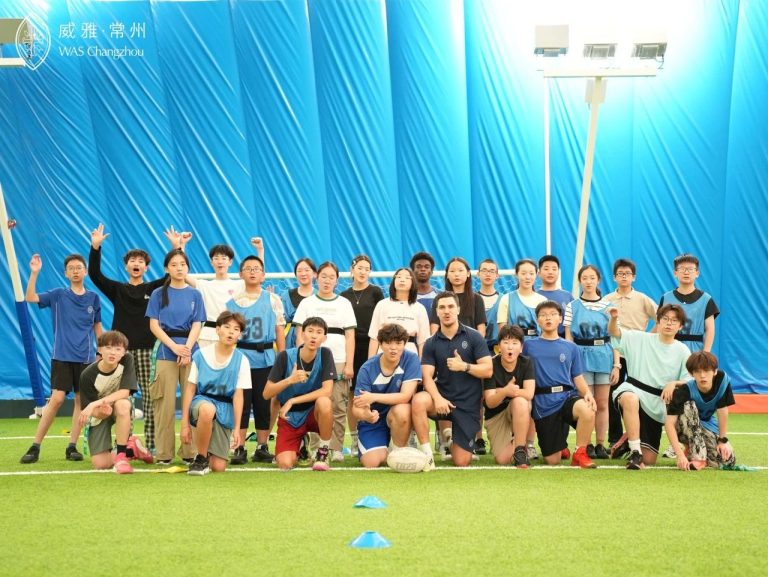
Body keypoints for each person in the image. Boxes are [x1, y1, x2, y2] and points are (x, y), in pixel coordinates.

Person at [87, 223, 185, 453]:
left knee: (151, 399)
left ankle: (152, 445)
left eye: (141, 261)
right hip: (121, 352)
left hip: (149, 350)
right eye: (132, 260)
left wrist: (177, 247)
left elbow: (172, 274)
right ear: (126, 266)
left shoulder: (154, 289)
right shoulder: (118, 290)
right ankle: (125, 444)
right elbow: (95, 275)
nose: (136, 264)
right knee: (124, 400)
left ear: (146, 267)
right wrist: (95, 247)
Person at [20, 253, 102, 464]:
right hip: (62, 356)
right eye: (71, 268)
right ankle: (35, 446)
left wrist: (101, 352)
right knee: (56, 399)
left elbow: (97, 327)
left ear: (85, 271)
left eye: (79, 267)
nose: (75, 271)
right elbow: (30, 297)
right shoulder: (57, 295)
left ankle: (72, 446)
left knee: (80, 401)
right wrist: (34, 273)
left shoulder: (93, 298)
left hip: (86, 359)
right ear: (66, 273)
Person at [412, 292, 493, 469]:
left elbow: (488, 370)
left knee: (461, 462)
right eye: (442, 307)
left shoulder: (474, 336)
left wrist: (464, 366)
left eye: (450, 307)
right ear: (437, 312)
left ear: (458, 309)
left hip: (467, 405)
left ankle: (453, 442)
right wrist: (438, 398)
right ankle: (427, 455)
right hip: (442, 401)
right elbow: (426, 376)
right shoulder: (431, 342)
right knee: (419, 400)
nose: (446, 311)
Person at [607, 303, 690, 469]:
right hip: (633, 390)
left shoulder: (682, 350)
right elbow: (615, 332)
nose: (669, 323)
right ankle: (635, 453)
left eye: (674, 320)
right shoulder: (640, 339)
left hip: (657, 403)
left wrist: (673, 383)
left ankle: (628, 439)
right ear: (658, 321)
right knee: (630, 398)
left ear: (680, 326)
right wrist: (614, 319)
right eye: (665, 319)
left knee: (650, 459)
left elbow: (688, 380)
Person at [146, 249, 206, 464]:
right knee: (164, 405)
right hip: (165, 351)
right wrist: (174, 347)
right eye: (174, 264)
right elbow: (154, 325)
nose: (179, 268)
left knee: (192, 402)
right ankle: (164, 453)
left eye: (182, 264)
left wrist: (186, 349)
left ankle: (190, 452)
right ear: (166, 269)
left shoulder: (195, 294)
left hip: (190, 352)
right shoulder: (157, 294)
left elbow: (197, 324)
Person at [293, 261, 356, 461]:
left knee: (338, 405)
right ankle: (316, 447)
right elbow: (299, 334)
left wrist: (349, 364)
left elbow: (350, 336)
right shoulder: (307, 303)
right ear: (316, 277)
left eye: (331, 277)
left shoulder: (344, 303)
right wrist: (301, 360)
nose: (327, 281)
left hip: (338, 359)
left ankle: (336, 448)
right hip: (313, 359)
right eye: (323, 276)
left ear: (337, 281)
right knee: (316, 405)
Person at [522, 301, 598, 468]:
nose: (548, 318)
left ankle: (580, 453)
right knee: (552, 460)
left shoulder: (571, 347)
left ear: (560, 319)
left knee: (587, 408)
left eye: (552, 314)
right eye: (543, 315)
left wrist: (587, 393)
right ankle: (560, 446)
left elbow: (577, 377)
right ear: (537, 320)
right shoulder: (528, 346)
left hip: (566, 397)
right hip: (543, 403)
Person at [226, 255, 286, 465]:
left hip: (266, 357)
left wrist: (282, 358)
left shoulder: (273, 299)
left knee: (264, 404)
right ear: (240, 274)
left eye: (256, 268)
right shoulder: (233, 303)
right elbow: (228, 334)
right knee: (241, 404)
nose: (252, 272)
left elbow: (279, 330)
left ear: (263, 274)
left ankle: (262, 446)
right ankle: (239, 446)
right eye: (248, 268)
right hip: (241, 358)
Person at [429, 257, 488, 456]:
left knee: (476, 396)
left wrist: (471, 357)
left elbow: (481, 330)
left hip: (471, 355)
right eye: (452, 271)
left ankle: (476, 438)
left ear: (468, 273)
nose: (456, 274)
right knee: (443, 390)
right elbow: (434, 329)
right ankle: (445, 438)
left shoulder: (476, 299)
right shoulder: (440, 299)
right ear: (446, 275)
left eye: (460, 270)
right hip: (444, 354)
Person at [181, 311, 251, 475]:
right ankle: (201, 458)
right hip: (202, 402)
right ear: (217, 330)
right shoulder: (200, 355)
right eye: (227, 327)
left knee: (219, 467)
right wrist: (185, 425)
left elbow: (238, 396)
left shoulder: (242, 360)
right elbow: (190, 389)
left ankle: (208, 452)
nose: (231, 332)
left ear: (240, 335)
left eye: (236, 329)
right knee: (207, 410)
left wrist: (237, 429)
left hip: (225, 410)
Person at [263, 317, 335, 471]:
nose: (314, 336)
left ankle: (322, 452)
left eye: (319, 332)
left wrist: (292, 401)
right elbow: (267, 393)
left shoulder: (325, 354)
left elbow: (327, 390)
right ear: (302, 334)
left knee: (324, 402)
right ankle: (301, 444)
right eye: (310, 331)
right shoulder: (285, 356)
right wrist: (289, 380)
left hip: (313, 412)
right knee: (285, 464)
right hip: (290, 416)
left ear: (324, 338)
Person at [563, 265, 619, 459]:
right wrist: (571, 364)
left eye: (592, 277)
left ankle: (600, 444)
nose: (588, 281)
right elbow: (568, 338)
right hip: (581, 356)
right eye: (584, 278)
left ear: (598, 280)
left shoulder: (609, 306)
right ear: (580, 281)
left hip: (604, 356)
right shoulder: (572, 306)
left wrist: (617, 365)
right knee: (587, 402)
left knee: (602, 403)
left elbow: (615, 338)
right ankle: (585, 445)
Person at [78, 331, 152, 473]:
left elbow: (125, 392)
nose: (113, 352)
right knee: (101, 464)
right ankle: (133, 449)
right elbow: (93, 412)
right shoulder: (87, 375)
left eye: (118, 349)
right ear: (100, 350)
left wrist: (95, 403)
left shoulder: (127, 360)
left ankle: (122, 456)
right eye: (108, 348)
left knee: (123, 404)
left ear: (124, 352)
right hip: (102, 412)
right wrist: (100, 412)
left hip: (119, 406)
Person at [603, 258, 658, 450]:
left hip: (637, 354)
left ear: (634, 277)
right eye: (620, 274)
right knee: (612, 395)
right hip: (614, 354)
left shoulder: (643, 299)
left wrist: (648, 338)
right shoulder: (607, 300)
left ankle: (637, 436)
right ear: (614, 277)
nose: (624, 277)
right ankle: (615, 438)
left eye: (627, 274)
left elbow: (661, 317)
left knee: (639, 394)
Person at [352, 323, 421, 468]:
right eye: (388, 343)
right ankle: (383, 447)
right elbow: (356, 408)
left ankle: (398, 450)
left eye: (398, 343)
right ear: (381, 344)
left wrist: (373, 397)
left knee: (403, 409)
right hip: (374, 421)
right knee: (371, 463)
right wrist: (366, 415)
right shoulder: (367, 368)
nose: (393, 348)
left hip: (397, 415)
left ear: (405, 343)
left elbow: (405, 396)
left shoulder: (411, 359)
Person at [497, 258, 547, 457]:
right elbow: (502, 330)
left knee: (533, 396)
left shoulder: (542, 300)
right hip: (513, 352)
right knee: (513, 396)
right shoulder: (507, 299)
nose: (527, 277)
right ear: (516, 275)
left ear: (536, 275)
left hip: (536, 352)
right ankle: (513, 440)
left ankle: (529, 443)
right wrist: (510, 349)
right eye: (523, 273)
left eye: (531, 273)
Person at [185, 237, 265, 348]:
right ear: (211, 262)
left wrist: (260, 250)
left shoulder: (239, 284)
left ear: (230, 262)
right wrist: (181, 246)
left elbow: (258, 274)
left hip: (231, 335)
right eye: (216, 258)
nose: (220, 261)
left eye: (224, 258)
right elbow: (183, 275)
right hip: (208, 335)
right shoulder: (204, 285)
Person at [341, 254, 384, 456]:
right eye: (360, 267)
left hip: (371, 345)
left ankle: (375, 433)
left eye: (367, 268)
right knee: (353, 394)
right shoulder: (344, 295)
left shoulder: (376, 292)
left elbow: (381, 320)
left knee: (371, 392)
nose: (363, 271)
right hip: (351, 346)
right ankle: (355, 437)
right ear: (352, 269)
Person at [662, 351, 736, 470]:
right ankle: (697, 456)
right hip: (684, 430)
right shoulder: (683, 391)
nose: (702, 375)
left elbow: (722, 411)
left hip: (706, 426)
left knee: (727, 460)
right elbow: (669, 424)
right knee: (689, 406)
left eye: (706, 371)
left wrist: (722, 441)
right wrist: (679, 455)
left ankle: (692, 451)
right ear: (691, 374)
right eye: (697, 371)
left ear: (715, 371)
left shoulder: (722, 381)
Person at [482, 324, 535, 467]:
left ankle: (520, 450)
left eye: (514, 343)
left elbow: (529, 393)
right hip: (495, 414)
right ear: (499, 347)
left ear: (521, 347)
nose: (510, 347)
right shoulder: (491, 365)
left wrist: (504, 392)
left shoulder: (526, 363)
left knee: (521, 402)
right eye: (506, 342)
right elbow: (490, 401)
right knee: (503, 460)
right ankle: (514, 439)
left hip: (516, 409)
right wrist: (505, 391)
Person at [658, 254, 719, 353]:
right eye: (682, 269)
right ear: (675, 273)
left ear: (697, 273)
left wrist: (706, 353)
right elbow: (659, 325)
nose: (686, 272)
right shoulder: (666, 298)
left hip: (695, 352)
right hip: (669, 350)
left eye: (690, 269)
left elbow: (710, 330)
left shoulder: (706, 299)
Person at [368, 267, 430, 358]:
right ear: (394, 281)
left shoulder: (419, 308)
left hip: (409, 353)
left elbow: (423, 341)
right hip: (384, 353)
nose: (402, 280)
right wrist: (371, 361)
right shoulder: (382, 304)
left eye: (407, 277)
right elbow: (374, 337)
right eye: (399, 277)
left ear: (413, 283)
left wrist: (421, 364)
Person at [281, 257, 317, 349]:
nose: (303, 273)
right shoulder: (286, 295)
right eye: (299, 271)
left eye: (307, 270)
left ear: (314, 274)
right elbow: (280, 322)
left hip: (314, 339)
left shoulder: (319, 296)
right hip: (289, 342)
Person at [536, 254, 573, 337]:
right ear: (539, 273)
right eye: (546, 269)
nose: (550, 272)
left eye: (554, 269)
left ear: (558, 272)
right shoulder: (534, 296)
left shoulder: (568, 296)